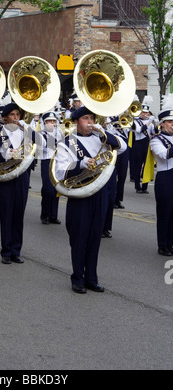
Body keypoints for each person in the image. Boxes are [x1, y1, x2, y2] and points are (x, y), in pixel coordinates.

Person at [54, 106, 127, 294]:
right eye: (86, 118)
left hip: (100, 192)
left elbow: (123, 146)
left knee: (95, 237)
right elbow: (61, 171)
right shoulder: (66, 143)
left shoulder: (101, 139)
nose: (90, 122)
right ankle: (77, 278)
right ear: (77, 121)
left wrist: (102, 131)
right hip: (80, 194)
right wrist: (81, 163)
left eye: (92, 118)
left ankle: (91, 278)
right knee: (79, 238)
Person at [0, 102, 42, 264]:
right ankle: (6, 251)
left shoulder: (25, 132)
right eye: (12, 115)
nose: (16, 118)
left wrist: (27, 128)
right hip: (5, 177)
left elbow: (43, 144)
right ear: (4, 118)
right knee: (7, 214)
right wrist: (5, 153)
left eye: (18, 115)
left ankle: (16, 250)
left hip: (22, 176)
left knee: (18, 214)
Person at [150, 95, 173, 256]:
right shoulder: (157, 140)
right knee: (165, 212)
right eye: (170, 122)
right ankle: (163, 244)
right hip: (165, 179)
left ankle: (171, 242)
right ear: (162, 123)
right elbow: (164, 155)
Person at [38, 111, 64, 225]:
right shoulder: (40, 134)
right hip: (47, 161)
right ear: (44, 123)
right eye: (50, 121)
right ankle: (44, 214)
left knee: (56, 189)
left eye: (54, 121)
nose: (52, 123)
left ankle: (53, 215)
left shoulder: (60, 133)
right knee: (48, 189)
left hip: (58, 162)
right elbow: (42, 147)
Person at [132, 101, 157, 194]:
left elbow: (155, 133)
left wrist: (155, 124)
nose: (144, 114)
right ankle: (137, 187)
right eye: (143, 112)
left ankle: (144, 187)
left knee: (146, 166)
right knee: (138, 166)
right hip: (139, 145)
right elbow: (139, 130)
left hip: (147, 144)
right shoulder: (135, 121)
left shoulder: (149, 122)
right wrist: (149, 122)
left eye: (146, 112)